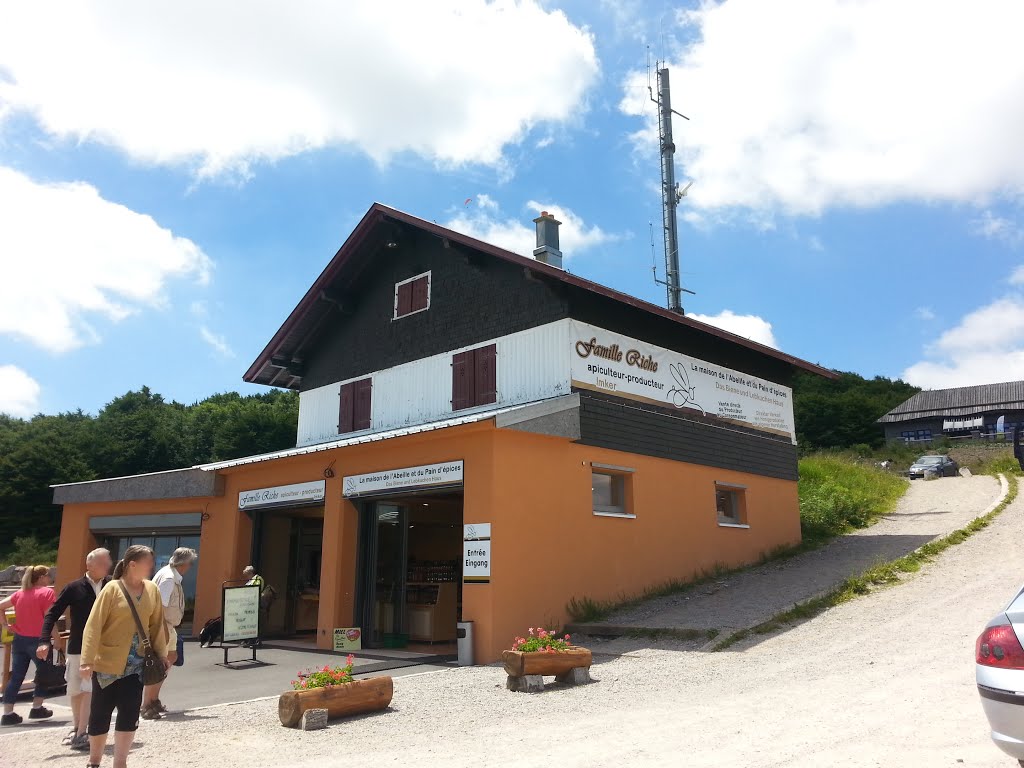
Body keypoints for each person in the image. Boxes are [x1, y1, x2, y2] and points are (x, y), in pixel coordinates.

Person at [80, 545, 169, 768]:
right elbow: (93, 626)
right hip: (107, 664)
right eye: (148, 562)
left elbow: (156, 625)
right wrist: (87, 660)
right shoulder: (111, 589)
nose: (152, 566)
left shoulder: (152, 590)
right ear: (132, 564)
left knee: (129, 715)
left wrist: (162, 654)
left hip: (137, 665)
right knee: (100, 714)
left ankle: (120, 762)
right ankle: (94, 761)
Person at [36, 548, 113, 750]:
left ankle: (82, 732)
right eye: (103, 562)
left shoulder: (112, 585)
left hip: (102, 648)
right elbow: (52, 614)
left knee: (89, 689)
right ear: (90, 565)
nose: (108, 566)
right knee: (75, 690)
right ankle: (77, 726)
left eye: (108, 562)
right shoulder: (74, 587)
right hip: (78, 646)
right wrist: (44, 640)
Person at [141, 547, 196, 720]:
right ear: (185, 563)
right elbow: (160, 607)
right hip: (163, 626)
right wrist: (162, 632)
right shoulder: (169, 579)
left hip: (168, 626)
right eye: (190, 563)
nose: (190, 566)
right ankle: (147, 704)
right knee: (158, 664)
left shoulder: (169, 574)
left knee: (170, 658)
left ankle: (154, 699)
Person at [0, 565, 56, 726]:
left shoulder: (19, 594)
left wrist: (5, 624)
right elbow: (49, 619)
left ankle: (8, 711)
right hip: (39, 640)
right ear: (41, 577)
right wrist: (56, 638)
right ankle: (37, 707)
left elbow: (1, 606)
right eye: (47, 575)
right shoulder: (47, 593)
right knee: (44, 673)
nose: (50, 578)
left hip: (20, 638)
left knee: (17, 675)